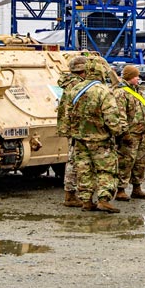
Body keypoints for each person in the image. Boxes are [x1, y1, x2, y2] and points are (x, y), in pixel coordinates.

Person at [71, 59, 127, 213]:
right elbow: (111, 117)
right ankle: (104, 200)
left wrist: (71, 132)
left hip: (80, 138)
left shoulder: (75, 89)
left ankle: (86, 201)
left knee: (84, 170)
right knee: (106, 170)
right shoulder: (103, 91)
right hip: (100, 139)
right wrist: (119, 131)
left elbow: (65, 113)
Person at [113, 64, 145, 201]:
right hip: (131, 134)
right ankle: (121, 189)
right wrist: (125, 134)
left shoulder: (137, 91)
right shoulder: (120, 93)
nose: (138, 78)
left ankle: (137, 188)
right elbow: (120, 115)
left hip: (142, 133)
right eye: (136, 76)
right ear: (129, 77)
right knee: (125, 161)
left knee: (140, 161)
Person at [55, 55, 88, 208]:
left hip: (71, 126)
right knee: (74, 161)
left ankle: (72, 193)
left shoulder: (69, 83)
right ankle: (70, 194)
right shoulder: (77, 85)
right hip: (77, 127)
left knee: (74, 159)